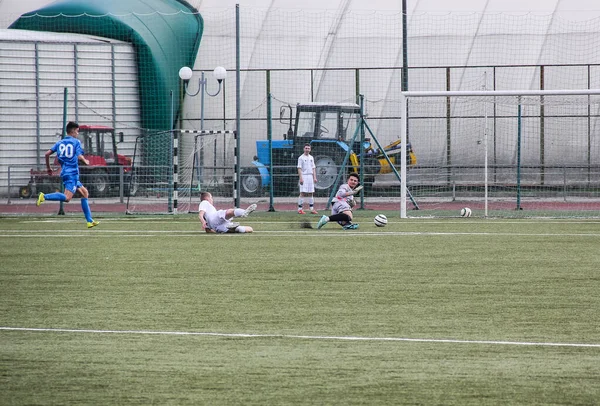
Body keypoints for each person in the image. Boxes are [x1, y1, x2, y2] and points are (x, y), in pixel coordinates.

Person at [36, 121, 99, 228]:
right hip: (72, 174)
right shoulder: (76, 142)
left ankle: (89, 221)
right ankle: (44, 196)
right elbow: (79, 156)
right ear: (73, 131)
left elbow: (47, 154)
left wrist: (49, 168)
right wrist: (86, 161)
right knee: (67, 198)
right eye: (77, 131)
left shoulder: (60, 143)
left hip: (65, 172)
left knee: (85, 193)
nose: (78, 134)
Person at [297, 143, 318, 214]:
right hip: (304, 176)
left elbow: (313, 168)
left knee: (311, 193)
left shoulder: (311, 157)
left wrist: (314, 177)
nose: (307, 150)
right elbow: (299, 168)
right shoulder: (301, 158)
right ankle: (300, 209)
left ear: (310, 149)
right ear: (304, 149)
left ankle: (312, 209)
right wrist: (301, 178)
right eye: (306, 148)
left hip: (310, 177)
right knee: (302, 193)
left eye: (308, 148)